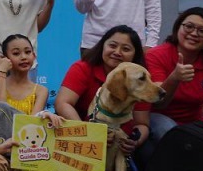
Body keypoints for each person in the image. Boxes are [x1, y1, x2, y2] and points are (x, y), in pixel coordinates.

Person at [143, 7, 203, 153]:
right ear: (178, 27)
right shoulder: (155, 55)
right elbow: (158, 103)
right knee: (169, 131)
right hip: (158, 120)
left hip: (193, 124)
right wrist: (174, 78)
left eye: (202, 31)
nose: (194, 33)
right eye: (189, 26)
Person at [53, 25, 151, 157]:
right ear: (102, 46)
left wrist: (134, 142)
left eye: (126, 49)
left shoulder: (141, 79)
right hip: (79, 142)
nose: (117, 52)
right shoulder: (82, 68)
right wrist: (88, 134)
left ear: (135, 54)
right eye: (112, 45)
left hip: (118, 147)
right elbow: (62, 103)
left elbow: (142, 124)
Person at [0, 33, 57, 171]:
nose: (23, 57)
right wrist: (1, 72)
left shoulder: (40, 90)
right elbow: (0, 110)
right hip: (1, 146)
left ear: (34, 56)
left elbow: (31, 124)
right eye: (16, 53)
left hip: (27, 150)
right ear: (5, 58)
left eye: (28, 52)